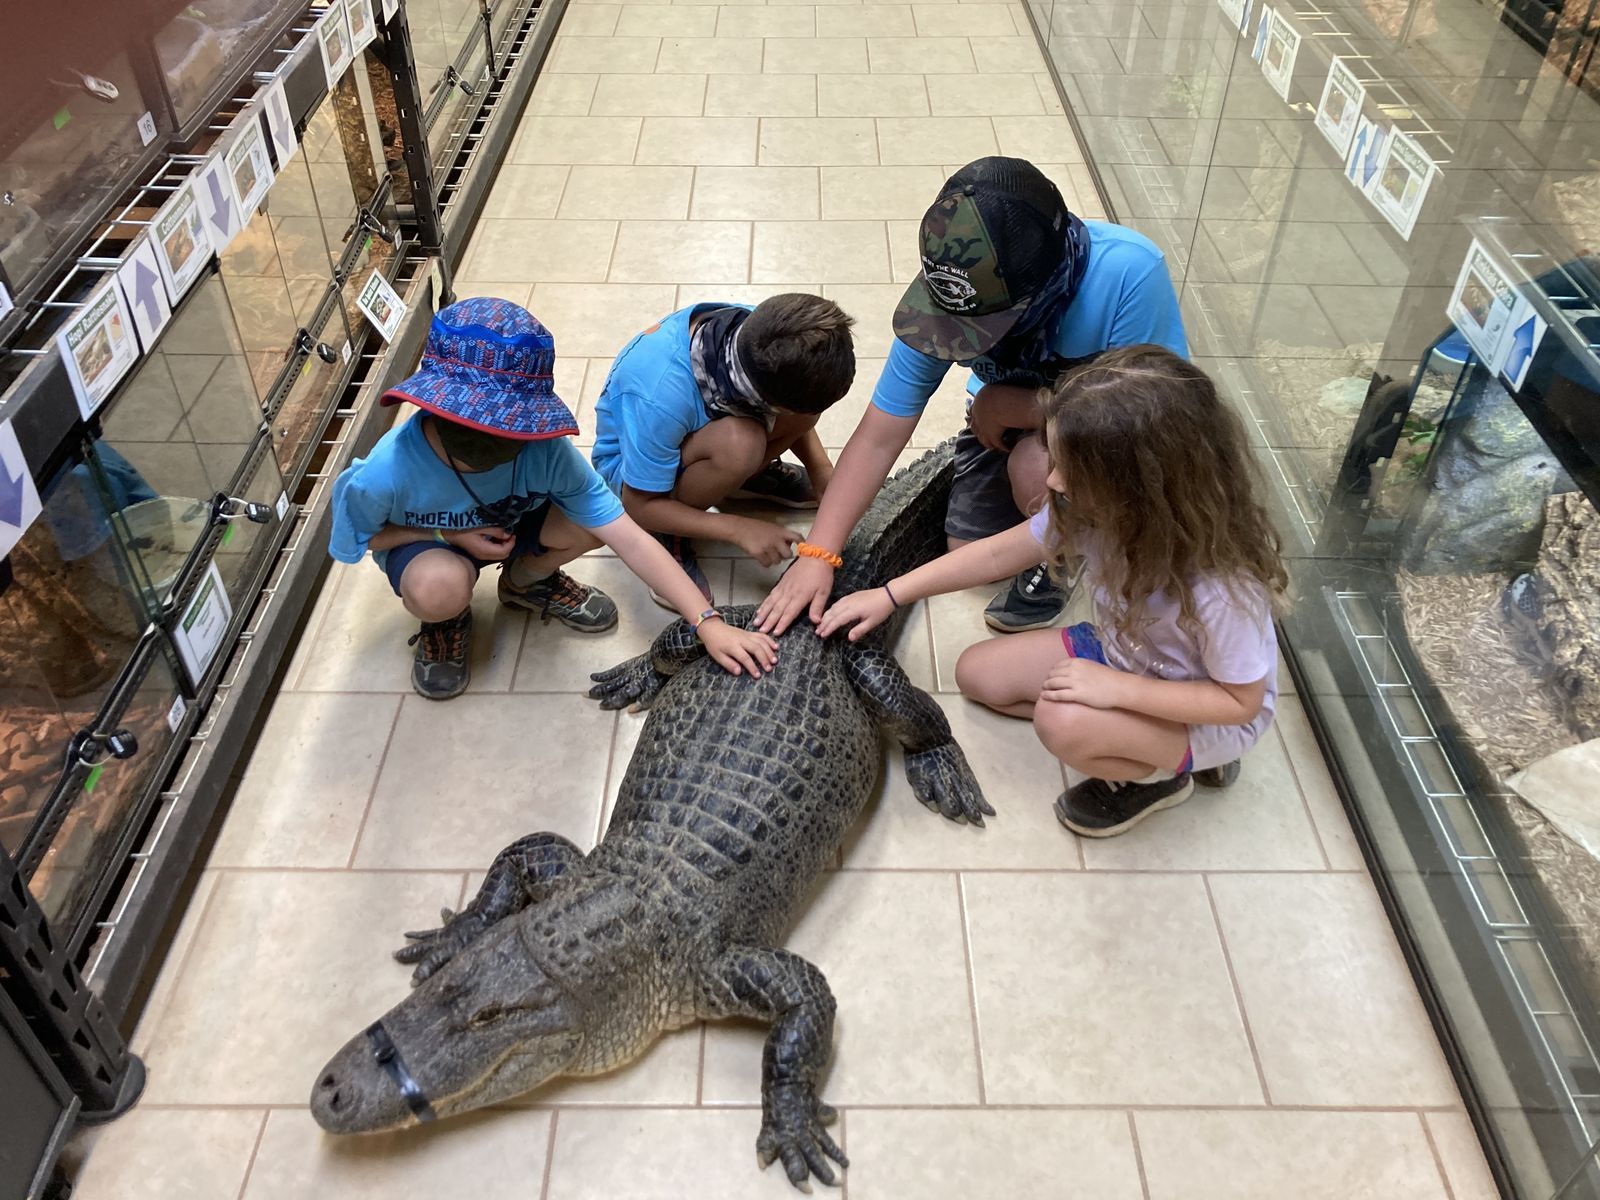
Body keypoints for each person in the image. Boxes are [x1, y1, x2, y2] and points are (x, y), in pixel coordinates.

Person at [818, 347, 1288, 838]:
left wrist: (1115, 691)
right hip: (1126, 651)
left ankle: (1164, 776)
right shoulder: (1094, 513)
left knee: (1060, 722)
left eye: (1072, 469)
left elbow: (1240, 703)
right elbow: (999, 555)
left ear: (1140, 488)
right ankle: (1135, 735)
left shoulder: (1223, 589)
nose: (1052, 480)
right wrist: (891, 594)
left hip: (1206, 709)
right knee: (977, 675)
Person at [756, 157, 1188, 638]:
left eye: (986, 325)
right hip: (1000, 423)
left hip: (1105, 435)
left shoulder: (1129, 273)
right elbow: (879, 435)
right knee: (967, 551)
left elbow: (1154, 418)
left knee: (1033, 468)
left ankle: (1071, 544)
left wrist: (1016, 405)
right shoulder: (951, 291)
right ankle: (1045, 512)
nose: (970, 337)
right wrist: (819, 552)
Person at [330, 297, 778, 700]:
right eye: (472, 422)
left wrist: (707, 621)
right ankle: (445, 621)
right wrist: (452, 534)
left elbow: (630, 535)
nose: (493, 437)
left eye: (508, 426)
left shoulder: (544, 450)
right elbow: (366, 537)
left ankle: (527, 581)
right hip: (433, 543)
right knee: (438, 588)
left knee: (595, 516)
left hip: (516, 525)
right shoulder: (384, 471)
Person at [590, 293, 855, 606]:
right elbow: (638, 503)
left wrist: (822, 471)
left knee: (792, 414)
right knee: (741, 444)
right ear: (769, 402)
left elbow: (801, 412)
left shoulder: (764, 335)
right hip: (635, 483)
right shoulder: (658, 397)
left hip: (696, 435)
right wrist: (738, 528)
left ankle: (738, 481)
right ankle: (667, 533)